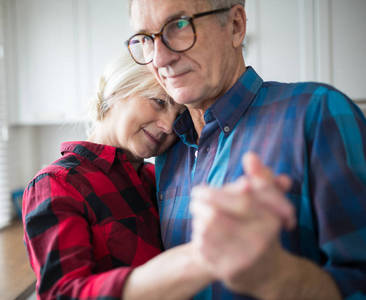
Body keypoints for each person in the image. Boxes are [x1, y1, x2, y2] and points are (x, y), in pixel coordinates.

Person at [126, 0, 366, 299]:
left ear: (236, 26)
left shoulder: (318, 112)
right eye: (147, 39)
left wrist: (277, 276)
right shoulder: (167, 151)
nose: (160, 58)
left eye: (179, 25)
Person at [22, 52, 232, 300]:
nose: (167, 125)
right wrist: (186, 267)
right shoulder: (57, 184)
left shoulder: (159, 179)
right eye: (159, 102)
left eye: (178, 117)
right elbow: (64, 294)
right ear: (116, 92)